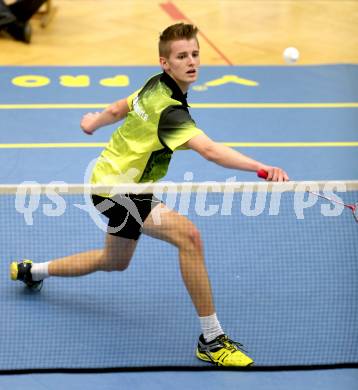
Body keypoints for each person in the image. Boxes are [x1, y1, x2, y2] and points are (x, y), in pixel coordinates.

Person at [10, 23, 289, 367]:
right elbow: (210, 151)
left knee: (113, 261)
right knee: (189, 236)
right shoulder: (171, 111)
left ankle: (32, 271)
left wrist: (93, 123)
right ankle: (212, 340)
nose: (191, 62)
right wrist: (263, 169)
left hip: (109, 181)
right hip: (121, 190)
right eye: (182, 56)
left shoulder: (154, 86)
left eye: (195, 54)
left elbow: (117, 108)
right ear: (165, 62)